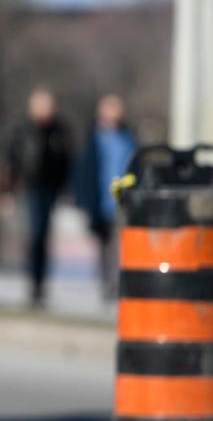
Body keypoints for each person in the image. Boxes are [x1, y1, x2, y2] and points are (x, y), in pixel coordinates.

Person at [2, 88, 71, 306]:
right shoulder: (23, 130)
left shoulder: (59, 131)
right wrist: (6, 191)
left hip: (50, 189)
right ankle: (33, 282)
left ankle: (40, 283)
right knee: (35, 233)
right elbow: (11, 162)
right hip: (30, 187)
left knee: (44, 235)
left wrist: (65, 190)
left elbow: (67, 163)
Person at [74, 94, 137, 300]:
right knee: (103, 245)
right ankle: (105, 284)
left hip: (123, 201)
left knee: (120, 246)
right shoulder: (93, 138)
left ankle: (118, 284)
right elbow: (85, 172)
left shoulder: (128, 138)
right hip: (100, 201)